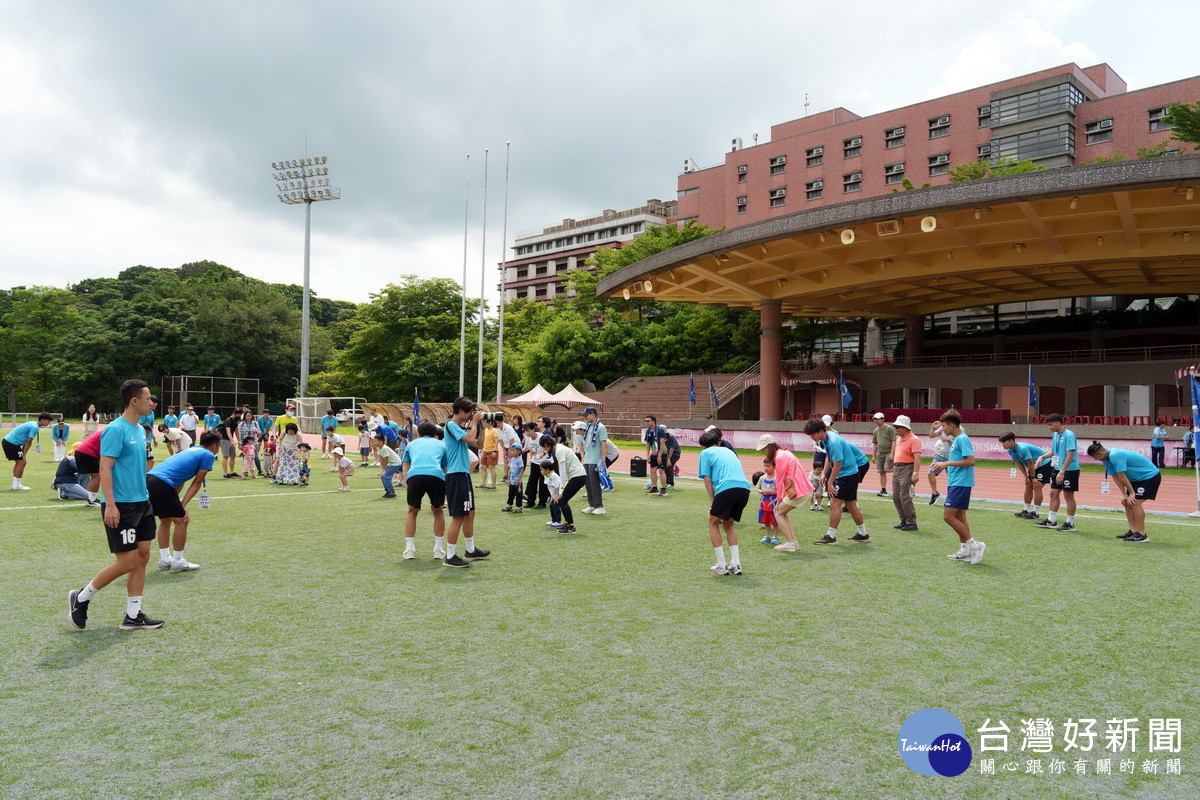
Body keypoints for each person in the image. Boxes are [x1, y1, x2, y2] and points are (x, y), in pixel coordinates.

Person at [68, 379, 164, 631]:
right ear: (134, 400)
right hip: (121, 506)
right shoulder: (116, 429)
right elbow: (104, 468)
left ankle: (133, 615)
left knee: (142, 557)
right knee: (127, 562)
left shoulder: (139, 430)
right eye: (147, 398)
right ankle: (81, 598)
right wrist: (110, 505)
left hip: (142, 503)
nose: (151, 402)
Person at [148, 430, 220, 574]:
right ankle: (178, 562)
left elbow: (179, 479)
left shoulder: (192, 450)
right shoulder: (208, 455)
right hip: (163, 484)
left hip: (150, 479)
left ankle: (165, 560)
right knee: (181, 521)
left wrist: (177, 503)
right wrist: (182, 505)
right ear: (214, 445)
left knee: (166, 519)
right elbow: (196, 482)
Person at [930, 411, 985, 565]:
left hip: (961, 482)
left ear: (952, 425)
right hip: (956, 482)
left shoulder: (962, 439)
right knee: (960, 518)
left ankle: (975, 545)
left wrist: (945, 463)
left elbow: (971, 461)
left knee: (948, 516)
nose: (943, 429)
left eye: (944, 426)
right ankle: (965, 550)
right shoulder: (956, 439)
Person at [803, 418, 871, 545]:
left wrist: (830, 482)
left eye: (813, 434)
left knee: (834, 503)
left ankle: (831, 536)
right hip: (849, 473)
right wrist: (824, 474)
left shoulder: (833, 441)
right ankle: (863, 534)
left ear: (821, 431)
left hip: (847, 474)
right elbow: (829, 456)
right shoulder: (827, 438)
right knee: (851, 505)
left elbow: (838, 464)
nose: (811, 437)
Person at [442, 397, 491, 567]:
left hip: (462, 475)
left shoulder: (459, 427)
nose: (472, 415)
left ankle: (470, 550)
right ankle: (450, 555)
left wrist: (482, 427)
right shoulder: (451, 425)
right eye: (470, 411)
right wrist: (475, 422)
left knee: (470, 513)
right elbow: (471, 440)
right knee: (458, 517)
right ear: (461, 411)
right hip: (456, 476)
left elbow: (478, 444)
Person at [698, 428, 752, 576]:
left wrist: (712, 502)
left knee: (713, 522)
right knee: (728, 524)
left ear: (703, 445)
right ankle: (736, 564)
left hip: (727, 488)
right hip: (744, 489)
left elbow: (707, 479)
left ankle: (721, 565)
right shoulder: (728, 451)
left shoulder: (705, 453)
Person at [1088, 441, 1160, 543]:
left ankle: (1142, 535)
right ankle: (1133, 530)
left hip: (1148, 477)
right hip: (1135, 479)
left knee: (1135, 502)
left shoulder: (1115, 455)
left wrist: (1132, 493)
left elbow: (1121, 475)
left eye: (1095, 457)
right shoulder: (1106, 459)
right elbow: (1115, 476)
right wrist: (1124, 494)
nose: (1096, 460)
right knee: (1127, 502)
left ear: (1100, 454)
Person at [755, 433, 812, 552]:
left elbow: (780, 480)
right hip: (802, 488)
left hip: (797, 490)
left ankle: (791, 543)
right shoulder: (784, 453)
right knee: (782, 513)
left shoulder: (780, 457)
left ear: (769, 447)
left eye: (764, 449)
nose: (764, 452)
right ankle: (793, 541)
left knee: (778, 512)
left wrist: (779, 499)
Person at [401, 421, 448, 559]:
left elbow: (405, 464)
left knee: (411, 511)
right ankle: (438, 550)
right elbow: (445, 467)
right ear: (435, 434)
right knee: (438, 511)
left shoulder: (411, 444)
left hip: (415, 475)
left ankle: (409, 549)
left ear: (418, 433)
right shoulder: (441, 444)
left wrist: (406, 480)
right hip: (436, 476)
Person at [1033, 413, 1080, 532]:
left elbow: (1070, 455)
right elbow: (1053, 451)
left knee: (1068, 496)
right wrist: (1042, 457)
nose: (1049, 427)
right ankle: (1051, 520)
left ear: (1058, 423)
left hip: (1069, 470)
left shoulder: (1069, 435)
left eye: (1051, 424)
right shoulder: (1055, 435)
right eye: (1048, 425)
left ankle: (1070, 523)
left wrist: (1062, 471)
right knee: (1053, 493)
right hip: (1057, 469)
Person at [541, 432, 586, 534]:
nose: (544, 450)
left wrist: (561, 490)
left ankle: (571, 527)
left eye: (544, 448)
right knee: (562, 501)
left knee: (562, 500)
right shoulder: (559, 448)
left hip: (578, 476)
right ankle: (568, 525)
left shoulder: (559, 451)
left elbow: (562, 472)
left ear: (547, 445)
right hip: (578, 476)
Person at [999, 432, 1045, 519]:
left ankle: (1036, 512)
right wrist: (1026, 477)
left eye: (1004, 442)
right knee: (1028, 485)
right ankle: (1026, 510)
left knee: (1037, 486)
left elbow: (1030, 463)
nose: (1002, 444)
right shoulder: (1010, 450)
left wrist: (1033, 477)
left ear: (1011, 441)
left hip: (1043, 465)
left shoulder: (1022, 448)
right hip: (1032, 466)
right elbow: (1019, 463)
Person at [3, 412, 52, 490]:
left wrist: (23, 454)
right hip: (11, 443)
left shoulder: (34, 424)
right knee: (21, 463)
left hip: (9, 442)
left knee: (20, 462)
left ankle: (15, 484)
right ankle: (17, 485)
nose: (49, 423)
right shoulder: (35, 427)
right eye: (48, 421)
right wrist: (24, 455)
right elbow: (29, 442)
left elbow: (27, 442)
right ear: (42, 420)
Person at [890, 415, 922, 531]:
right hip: (898, 469)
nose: (896, 429)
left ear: (905, 427)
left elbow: (917, 458)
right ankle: (904, 519)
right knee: (895, 496)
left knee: (906, 497)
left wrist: (915, 474)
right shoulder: (900, 439)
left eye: (898, 427)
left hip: (908, 469)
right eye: (895, 427)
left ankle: (911, 522)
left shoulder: (914, 440)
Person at [580, 407, 608, 515]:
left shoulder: (601, 427)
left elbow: (604, 445)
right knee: (588, 483)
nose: (585, 417)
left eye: (586, 415)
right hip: (587, 459)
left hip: (595, 459)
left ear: (593, 414)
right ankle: (592, 504)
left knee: (594, 483)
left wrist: (603, 460)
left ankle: (599, 506)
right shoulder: (589, 427)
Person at [927, 421, 954, 505]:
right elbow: (931, 436)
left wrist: (948, 440)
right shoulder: (943, 427)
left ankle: (950, 498)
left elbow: (959, 444)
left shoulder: (960, 429)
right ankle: (935, 494)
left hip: (951, 458)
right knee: (930, 473)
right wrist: (933, 427)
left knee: (952, 479)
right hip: (939, 456)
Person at [523, 422, 549, 508]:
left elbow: (549, 448)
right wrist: (519, 450)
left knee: (543, 482)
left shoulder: (541, 437)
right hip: (535, 461)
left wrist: (543, 453)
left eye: (528, 430)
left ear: (533, 429)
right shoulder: (528, 438)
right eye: (525, 430)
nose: (526, 432)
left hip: (544, 462)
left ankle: (542, 502)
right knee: (532, 481)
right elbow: (527, 447)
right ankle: (530, 501)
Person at [871, 412, 896, 497]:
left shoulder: (889, 429)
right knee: (881, 472)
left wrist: (892, 453)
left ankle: (899, 469)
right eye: (874, 419)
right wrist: (873, 456)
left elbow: (893, 440)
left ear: (882, 419)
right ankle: (883, 490)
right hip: (880, 453)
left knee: (886, 469)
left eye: (877, 419)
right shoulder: (875, 431)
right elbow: (875, 443)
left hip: (888, 452)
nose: (876, 421)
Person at [755, 462, 780, 545]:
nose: (766, 468)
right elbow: (757, 488)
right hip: (764, 502)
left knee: (774, 520)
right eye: (765, 466)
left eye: (768, 466)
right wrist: (761, 491)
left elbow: (779, 491)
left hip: (774, 503)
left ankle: (775, 536)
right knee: (766, 520)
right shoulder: (762, 478)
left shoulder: (777, 478)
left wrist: (769, 492)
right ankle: (767, 536)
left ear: (774, 467)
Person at [539, 460, 567, 530]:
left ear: (547, 470)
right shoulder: (546, 475)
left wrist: (557, 497)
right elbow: (550, 487)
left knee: (555, 506)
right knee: (551, 505)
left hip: (559, 494)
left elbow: (558, 486)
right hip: (554, 495)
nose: (541, 471)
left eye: (542, 470)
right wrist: (552, 496)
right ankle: (553, 520)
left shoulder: (553, 476)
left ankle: (559, 521)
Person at [375, 431, 404, 498]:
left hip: (396, 463)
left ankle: (392, 492)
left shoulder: (384, 448)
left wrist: (385, 471)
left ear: (381, 442)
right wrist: (383, 470)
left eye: (375, 441)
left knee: (386, 477)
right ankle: (388, 492)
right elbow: (381, 459)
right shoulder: (378, 448)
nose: (374, 443)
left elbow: (386, 460)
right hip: (392, 464)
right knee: (383, 476)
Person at [502, 444, 525, 513]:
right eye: (511, 450)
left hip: (517, 482)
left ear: (518, 451)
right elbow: (510, 470)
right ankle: (509, 505)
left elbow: (522, 469)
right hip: (511, 481)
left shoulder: (519, 460)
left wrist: (519, 479)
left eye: (513, 451)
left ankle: (519, 507)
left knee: (518, 495)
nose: (512, 452)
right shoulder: (512, 459)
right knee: (510, 493)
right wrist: (508, 479)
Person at [479, 418, 500, 489]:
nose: (484, 424)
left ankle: (493, 484)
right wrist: (481, 449)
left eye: (485, 422)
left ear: (490, 422)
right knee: (483, 467)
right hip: (485, 451)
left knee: (491, 468)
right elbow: (484, 441)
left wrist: (495, 451)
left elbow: (496, 441)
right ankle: (483, 483)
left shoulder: (494, 431)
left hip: (491, 451)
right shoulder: (485, 430)